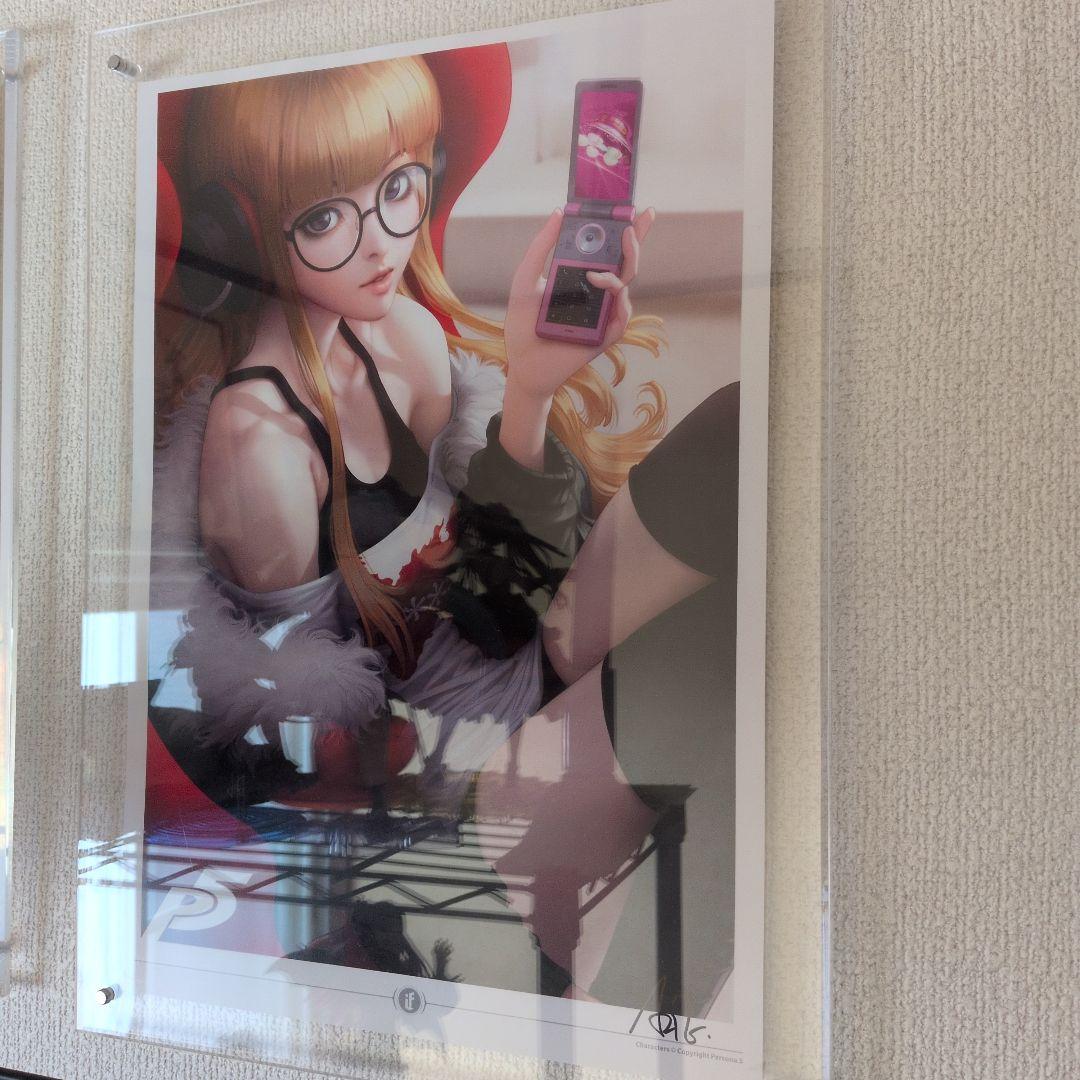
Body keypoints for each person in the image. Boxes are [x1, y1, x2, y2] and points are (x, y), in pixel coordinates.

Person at [149, 50, 734, 1004]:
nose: (382, 243)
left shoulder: (405, 337)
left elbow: (503, 594)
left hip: (519, 650)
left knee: (738, 448)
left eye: (398, 189)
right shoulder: (260, 446)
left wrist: (531, 387)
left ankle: (627, 990)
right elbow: (314, 735)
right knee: (721, 638)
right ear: (241, 231)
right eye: (326, 218)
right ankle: (618, 992)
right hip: (445, 764)